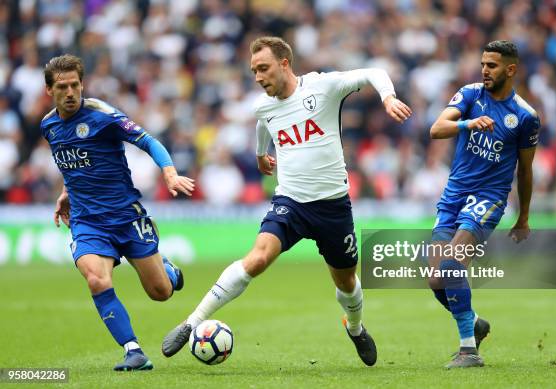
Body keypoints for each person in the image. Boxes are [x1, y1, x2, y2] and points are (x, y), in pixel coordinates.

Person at [162, 36, 412, 366]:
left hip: (333, 207)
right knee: (258, 258)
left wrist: (388, 97)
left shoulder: (322, 87)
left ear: (284, 64)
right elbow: (263, 124)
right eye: (253, 71)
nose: (258, 77)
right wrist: (260, 154)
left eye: (263, 68)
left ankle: (355, 328)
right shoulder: (262, 105)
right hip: (290, 202)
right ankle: (191, 322)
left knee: (347, 282)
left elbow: (373, 72)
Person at [41, 54, 195, 371]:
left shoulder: (102, 114)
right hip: (87, 221)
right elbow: (71, 162)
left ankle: (167, 270)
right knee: (97, 280)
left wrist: (168, 172)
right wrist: (66, 192)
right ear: (49, 91)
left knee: (161, 293)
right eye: (62, 87)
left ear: (82, 84)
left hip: (127, 216)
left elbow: (149, 141)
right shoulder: (49, 126)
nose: (70, 92)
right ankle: (133, 350)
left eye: (74, 85)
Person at [428, 40, 539, 368]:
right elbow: (437, 129)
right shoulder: (470, 95)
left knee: (451, 265)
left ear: (511, 69)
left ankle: (468, 351)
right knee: (435, 279)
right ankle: (474, 323)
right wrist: (467, 123)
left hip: (488, 199)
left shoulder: (525, 117)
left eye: (492, 65)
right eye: (483, 65)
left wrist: (524, 217)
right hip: (453, 197)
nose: (485, 71)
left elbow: (526, 170)